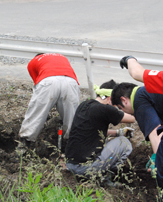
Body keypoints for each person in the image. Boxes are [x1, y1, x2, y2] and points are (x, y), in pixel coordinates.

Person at [65, 80, 135, 186]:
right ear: (110, 98)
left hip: (71, 165)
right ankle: (108, 176)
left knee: (107, 139)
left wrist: (118, 132)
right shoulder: (105, 109)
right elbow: (132, 118)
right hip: (87, 169)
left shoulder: (84, 105)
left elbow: (94, 131)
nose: (117, 106)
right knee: (123, 142)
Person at [17, 53, 80, 154]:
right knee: (72, 117)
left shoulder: (32, 63)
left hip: (47, 81)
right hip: (70, 82)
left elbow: (38, 83)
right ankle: (71, 149)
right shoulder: (62, 57)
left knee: (35, 114)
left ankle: (23, 148)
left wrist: (45, 109)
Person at [116, 55, 163, 189]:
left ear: (124, 100)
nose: (128, 114)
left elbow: (155, 133)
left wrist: (129, 59)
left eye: (121, 109)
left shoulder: (139, 100)